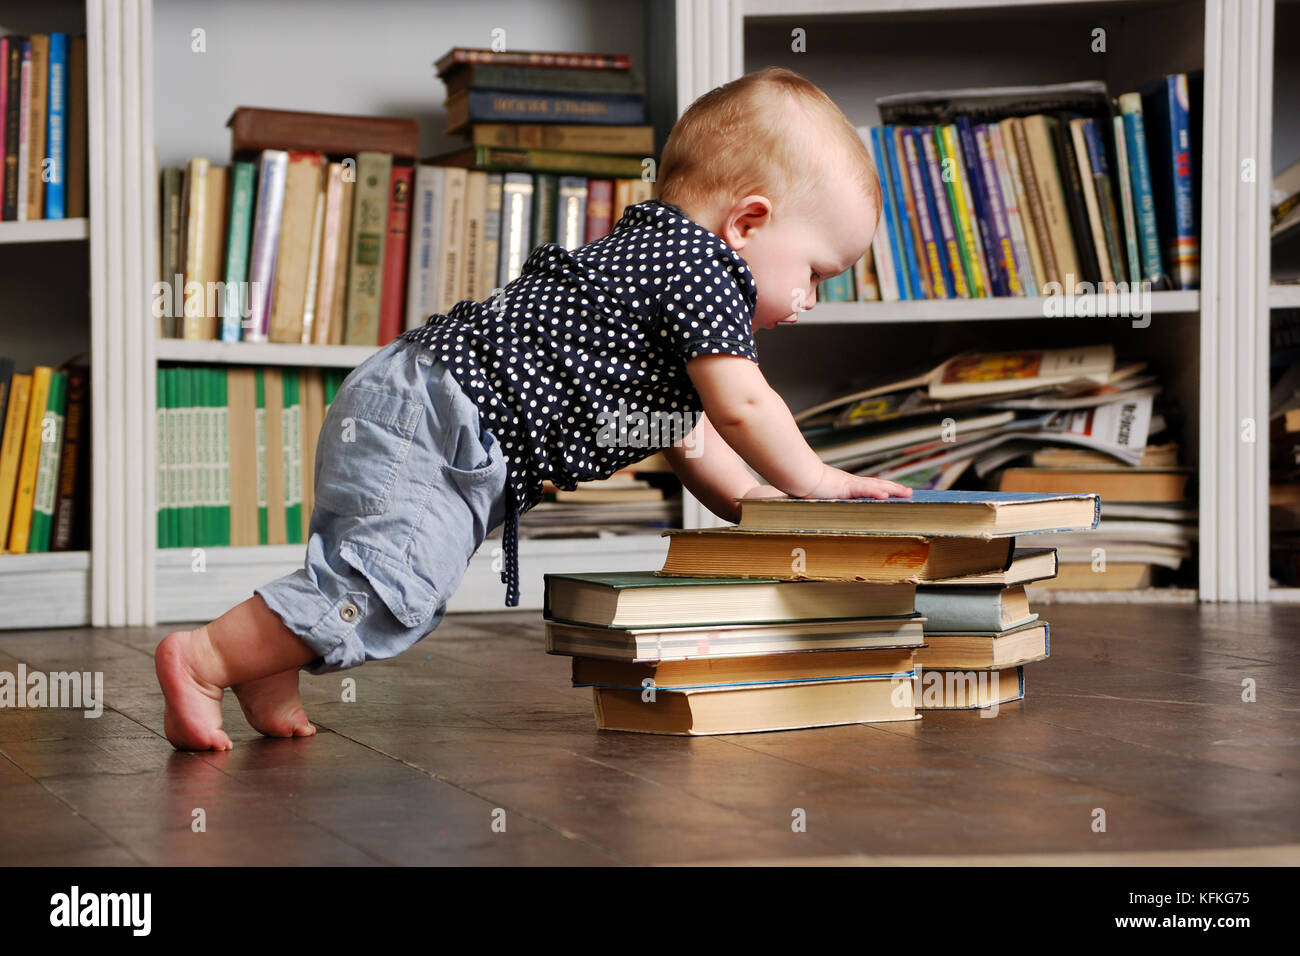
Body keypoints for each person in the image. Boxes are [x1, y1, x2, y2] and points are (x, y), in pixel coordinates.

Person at [155, 66, 913, 751]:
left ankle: (263, 663)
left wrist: (756, 502)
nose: (809, 302)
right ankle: (204, 659)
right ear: (746, 223)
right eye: (816, 273)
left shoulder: (654, 266)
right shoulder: (703, 267)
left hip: (419, 401)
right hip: (443, 417)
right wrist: (815, 480)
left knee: (366, 577)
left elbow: (695, 439)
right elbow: (744, 405)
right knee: (387, 588)